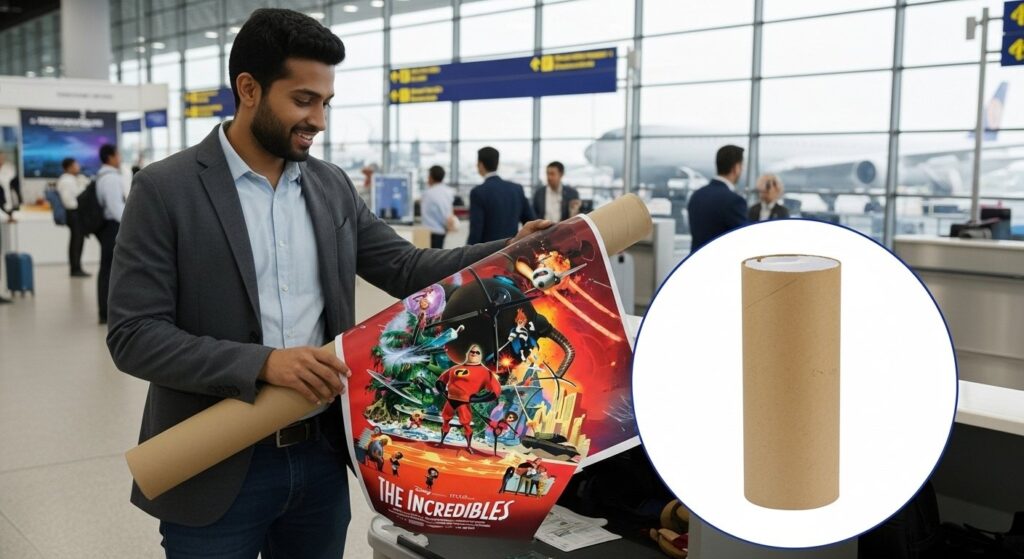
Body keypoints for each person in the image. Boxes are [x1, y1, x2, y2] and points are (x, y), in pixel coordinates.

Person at [106, 9, 549, 557]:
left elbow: (406, 270)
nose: (318, 119)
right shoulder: (165, 189)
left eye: (325, 102)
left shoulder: (330, 186)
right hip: (215, 464)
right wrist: (264, 363)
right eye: (302, 100)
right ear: (248, 89)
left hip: (319, 459)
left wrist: (511, 250)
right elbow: (134, 334)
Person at [467, 146, 538, 245]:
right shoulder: (517, 189)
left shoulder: (478, 192)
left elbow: (476, 231)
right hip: (511, 250)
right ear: (497, 163)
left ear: (480, 164)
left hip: (487, 254)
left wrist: (468, 256)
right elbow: (531, 222)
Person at [686, 145, 749, 253]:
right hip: (720, 266)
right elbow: (746, 239)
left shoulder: (696, 195)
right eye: (742, 166)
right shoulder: (734, 201)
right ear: (736, 168)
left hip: (694, 263)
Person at [96, 144, 124, 324]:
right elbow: (116, 207)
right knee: (110, 271)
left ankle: (105, 311)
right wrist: (132, 224)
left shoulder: (101, 175)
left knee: (106, 269)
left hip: (106, 227)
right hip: (113, 227)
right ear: (110, 157)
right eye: (118, 154)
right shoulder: (111, 178)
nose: (119, 158)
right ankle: (107, 312)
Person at [57, 157, 91, 277]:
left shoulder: (73, 179)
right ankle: (75, 268)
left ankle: (77, 267)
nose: (78, 167)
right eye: (75, 165)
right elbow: (68, 201)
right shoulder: (66, 180)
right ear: (69, 167)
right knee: (76, 241)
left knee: (77, 240)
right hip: (73, 213)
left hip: (75, 213)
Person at [420, 165, 455, 249]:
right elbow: (447, 212)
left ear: (431, 177)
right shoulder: (448, 191)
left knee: (430, 259)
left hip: (431, 232)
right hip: (441, 231)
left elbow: (442, 213)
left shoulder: (428, 193)